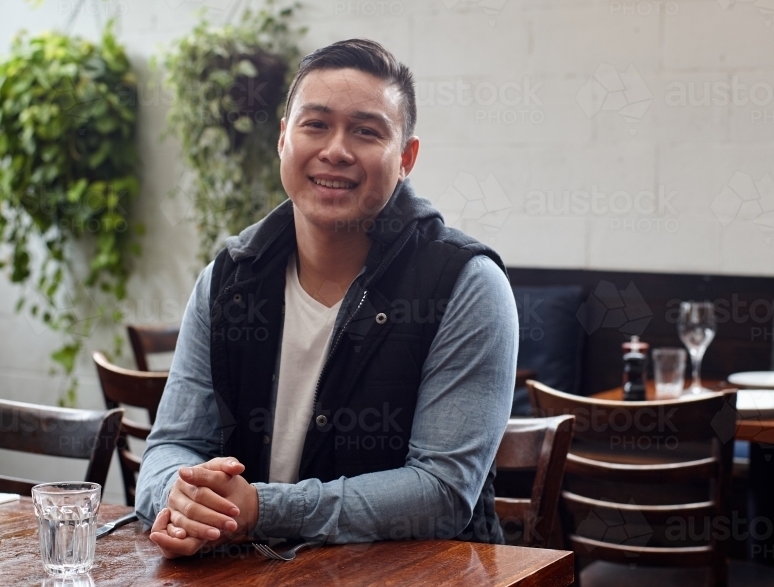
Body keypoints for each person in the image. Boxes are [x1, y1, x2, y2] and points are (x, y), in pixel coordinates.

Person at [137, 38, 518, 558]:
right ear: (282, 140)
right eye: (315, 124)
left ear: (406, 157)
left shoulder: (465, 284)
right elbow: (171, 446)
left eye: (366, 131)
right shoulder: (228, 278)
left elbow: (442, 490)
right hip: (254, 574)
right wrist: (179, 499)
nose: (335, 150)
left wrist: (262, 510)